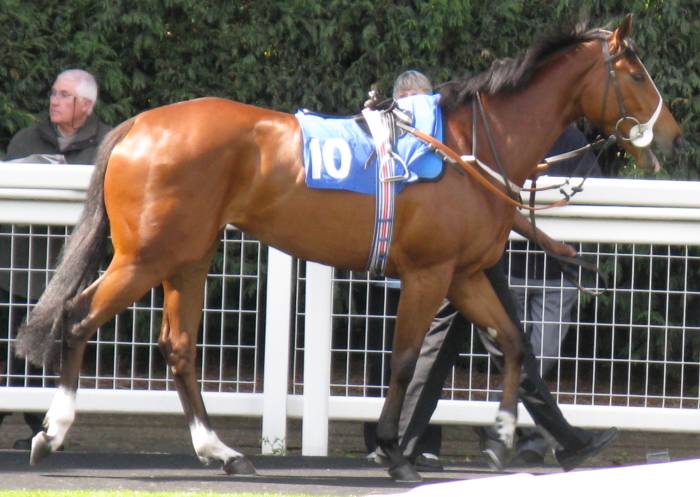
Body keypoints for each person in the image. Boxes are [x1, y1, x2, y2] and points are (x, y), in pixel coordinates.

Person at [392, 125, 615, 471]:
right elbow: (495, 202)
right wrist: (547, 242)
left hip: (467, 254)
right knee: (512, 348)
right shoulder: (486, 131)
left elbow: (495, 202)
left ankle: (399, 443)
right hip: (474, 259)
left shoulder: (480, 129)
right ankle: (559, 441)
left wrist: (546, 242)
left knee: (446, 347)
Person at [0, 68, 111, 450]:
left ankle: (41, 426)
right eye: (54, 93)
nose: (54, 101)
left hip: (68, 267)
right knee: (15, 342)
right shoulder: (25, 140)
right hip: (17, 265)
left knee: (49, 347)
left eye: (64, 95)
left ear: (86, 104)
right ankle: (33, 422)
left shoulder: (107, 144)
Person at [505, 125, 603, 465]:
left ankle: (517, 431)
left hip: (557, 273)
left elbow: (594, 190)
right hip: (510, 266)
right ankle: (523, 436)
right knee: (515, 355)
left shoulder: (572, 140)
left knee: (538, 356)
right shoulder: (508, 130)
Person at [363, 69, 444, 472]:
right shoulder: (380, 138)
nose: (416, 106)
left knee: (421, 360)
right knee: (383, 362)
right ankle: (375, 441)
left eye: (421, 99)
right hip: (386, 276)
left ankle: (424, 444)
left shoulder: (437, 147)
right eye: (408, 99)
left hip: (423, 279)